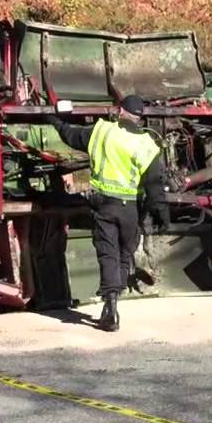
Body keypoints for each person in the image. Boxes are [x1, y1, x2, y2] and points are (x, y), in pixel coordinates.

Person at [46, 94, 170, 332]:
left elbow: (71, 136)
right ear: (140, 117)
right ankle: (115, 296)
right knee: (124, 253)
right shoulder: (147, 144)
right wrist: (161, 212)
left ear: (120, 111)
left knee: (108, 253)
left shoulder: (102, 131)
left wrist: (55, 120)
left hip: (104, 205)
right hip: (130, 209)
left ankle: (110, 305)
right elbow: (155, 183)